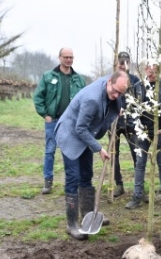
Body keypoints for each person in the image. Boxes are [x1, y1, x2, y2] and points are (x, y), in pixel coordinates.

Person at [55, 71, 129, 240]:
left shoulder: (112, 87)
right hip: (71, 134)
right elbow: (80, 128)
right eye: (114, 91)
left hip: (85, 133)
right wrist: (98, 148)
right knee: (73, 177)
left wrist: (118, 109)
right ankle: (72, 224)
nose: (116, 95)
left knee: (87, 175)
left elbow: (112, 103)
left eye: (120, 93)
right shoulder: (92, 99)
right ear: (109, 82)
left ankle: (89, 214)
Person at [33, 48, 86, 195]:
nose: (69, 60)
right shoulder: (48, 76)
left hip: (72, 123)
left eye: (71, 57)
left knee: (71, 152)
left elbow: (85, 99)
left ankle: (72, 181)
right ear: (59, 58)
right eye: (66, 57)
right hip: (54, 121)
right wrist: (45, 114)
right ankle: (48, 181)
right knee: (50, 150)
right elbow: (38, 97)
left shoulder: (79, 79)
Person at [125, 64, 161, 210]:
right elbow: (132, 110)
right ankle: (137, 196)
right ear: (145, 69)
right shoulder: (137, 87)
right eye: (149, 68)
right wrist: (136, 128)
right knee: (140, 164)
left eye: (155, 67)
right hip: (142, 133)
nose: (152, 71)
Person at [110, 51, 140, 197]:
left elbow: (139, 100)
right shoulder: (111, 79)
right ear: (117, 63)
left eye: (125, 61)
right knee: (113, 154)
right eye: (120, 62)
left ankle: (138, 187)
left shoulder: (134, 80)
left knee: (136, 154)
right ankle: (119, 184)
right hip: (114, 121)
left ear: (129, 63)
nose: (123, 64)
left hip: (131, 122)